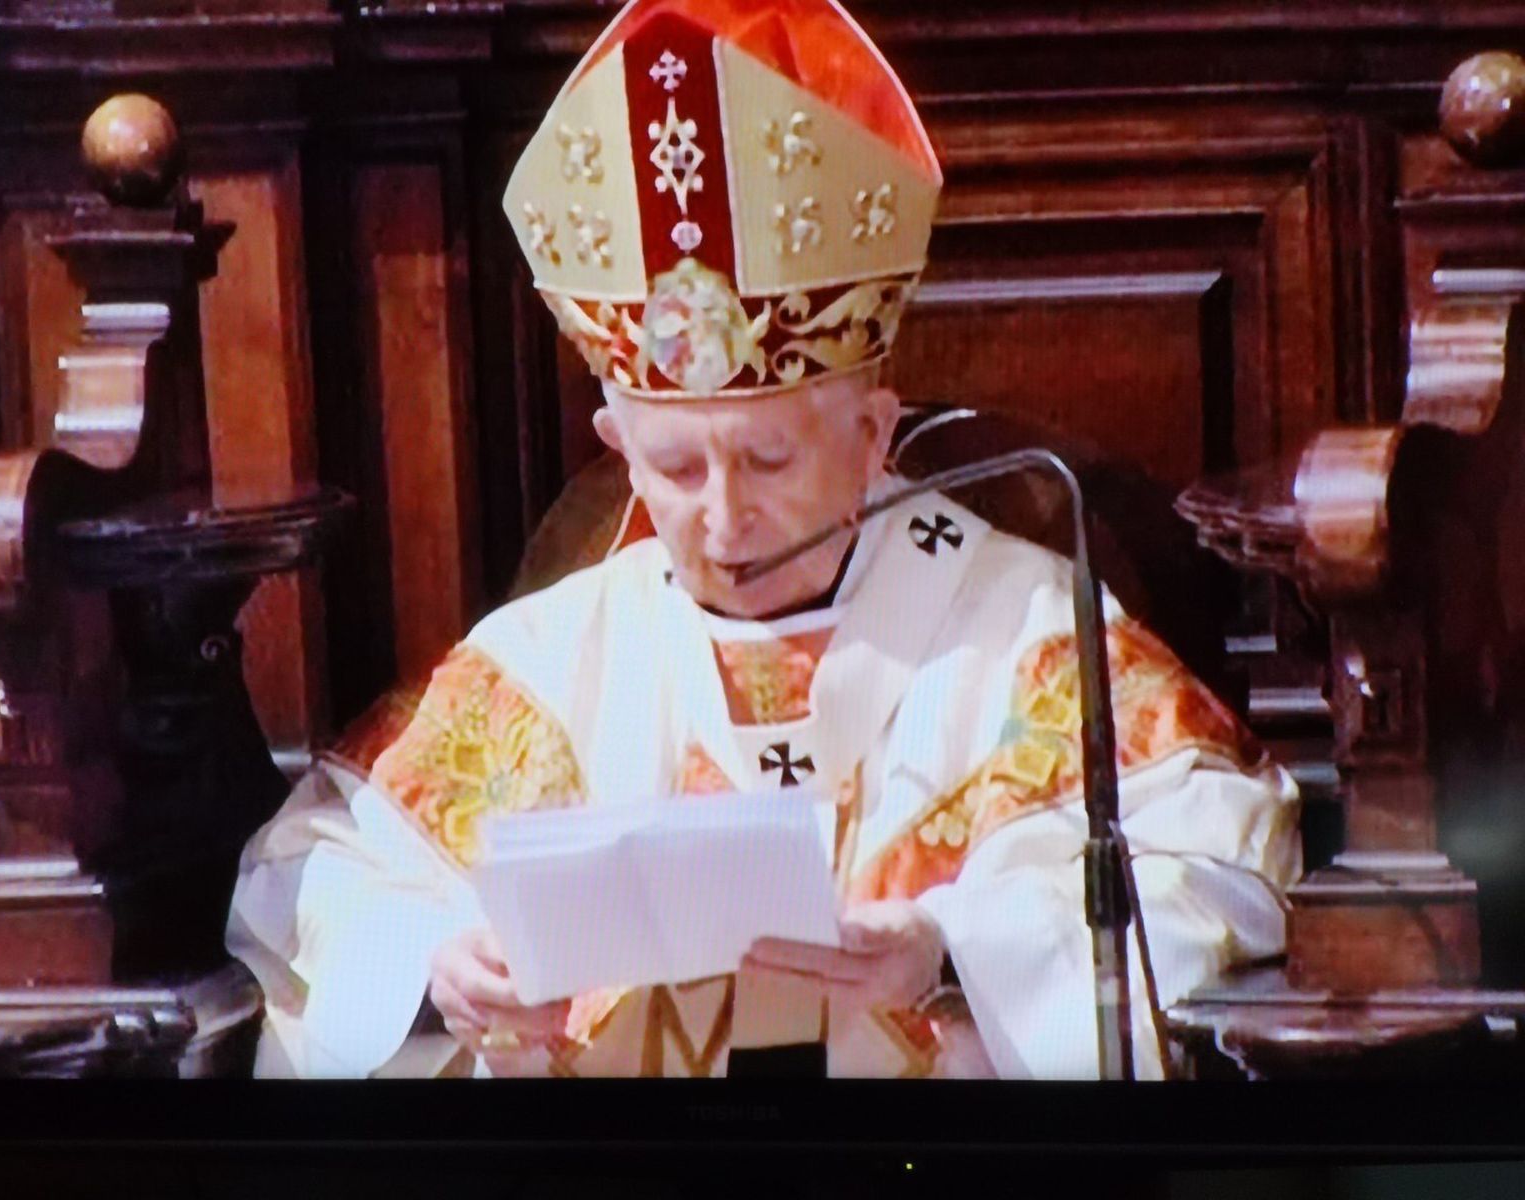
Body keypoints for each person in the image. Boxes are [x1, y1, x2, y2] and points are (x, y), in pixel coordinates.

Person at [225, 0, 1301, 1080]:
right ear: (616, 445)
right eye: (676, 469)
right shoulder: (547, 661)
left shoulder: (1023, 627)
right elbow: (311, 879)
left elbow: (1220, 853)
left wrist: (950, 948)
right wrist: (436, 963)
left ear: (873, 436)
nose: (723, 515)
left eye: (770, 461)